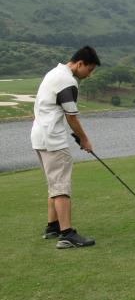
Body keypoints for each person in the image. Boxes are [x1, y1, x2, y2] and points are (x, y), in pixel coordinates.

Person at [31, 46, 101, 249]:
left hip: (39, 136)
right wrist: (84, 140)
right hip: (53, 140)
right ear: (80, 64)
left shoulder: (53, 73)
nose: (89, 74)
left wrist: (77, 137)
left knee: (54, 183)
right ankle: (67, 235)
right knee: (61, 187)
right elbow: (71, 116)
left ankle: (52, 226)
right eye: (89, 69)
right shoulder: (68, 81)